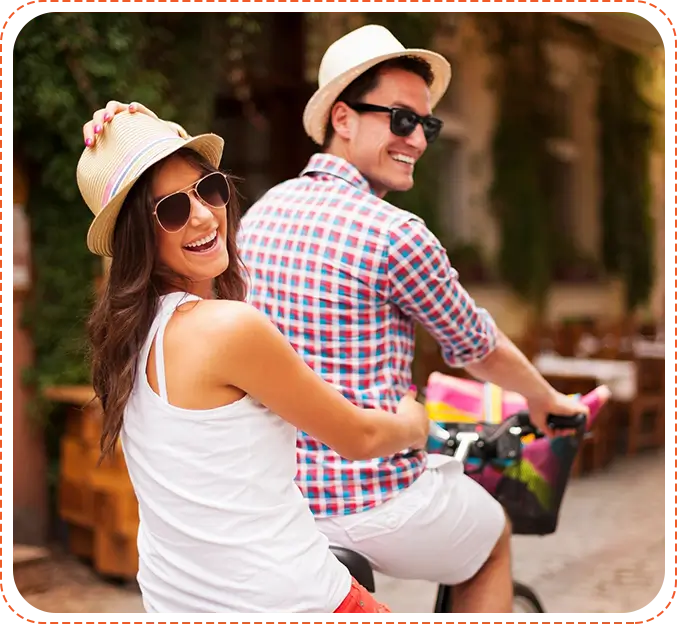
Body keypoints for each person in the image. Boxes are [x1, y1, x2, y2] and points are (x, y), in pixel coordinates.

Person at [82, 24, 590, 615]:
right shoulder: (392, 237)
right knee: (492, 536)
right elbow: (467, 350)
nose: (419, 139)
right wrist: (427, 416)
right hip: (351, 509)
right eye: (402, 120)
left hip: (225, 557)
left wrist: (129, 139)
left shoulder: (242, 236)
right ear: (343, 119)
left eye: (211, 189)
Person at [77, 107, 433, 615]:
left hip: (176, 605)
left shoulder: (126, 340)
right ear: (137, 236)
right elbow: (361, 438)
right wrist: (412, 424)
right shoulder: (228, 328)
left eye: (209, 189)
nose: (202, 215)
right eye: (171, 210)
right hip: (291, 601)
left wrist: (134, 130)